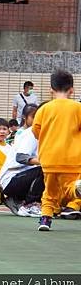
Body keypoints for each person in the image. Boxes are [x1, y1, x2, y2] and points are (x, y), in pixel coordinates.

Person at [32, 70, 81, 231]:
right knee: (70, 188)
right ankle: (76, 191)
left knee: (49, 192)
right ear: (72, 90)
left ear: (50, 89)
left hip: (49, 159)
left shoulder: (44, 109)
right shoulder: (77, 107)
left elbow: (36, 131)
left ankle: (45, 219)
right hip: (72, 159)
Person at [0, 104, 43, 218]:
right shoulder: (31, 133)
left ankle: (18, 199)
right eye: (34, 117)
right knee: (46, 169)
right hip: (11, 179)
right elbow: (20, 157)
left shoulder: (39, 133)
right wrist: (45, 162)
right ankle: (30, 204)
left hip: (18, 178)